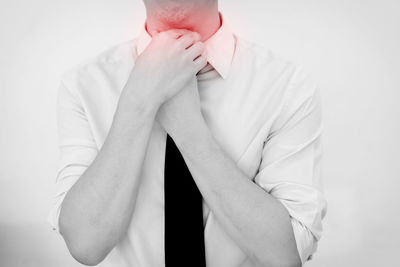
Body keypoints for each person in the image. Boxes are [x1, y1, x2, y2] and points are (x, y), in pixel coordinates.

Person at [48, 0, 327, 266]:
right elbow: (84, 243)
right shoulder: (83, 86)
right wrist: (138, 102)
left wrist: (189, 131)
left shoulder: (288, 88)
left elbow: (285, 255)